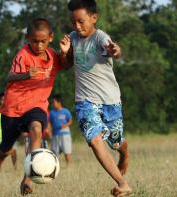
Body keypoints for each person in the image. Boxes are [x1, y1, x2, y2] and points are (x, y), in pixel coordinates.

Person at [0, 18, 71, 195]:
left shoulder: (53, 56)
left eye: (43, 41)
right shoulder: (23, 54)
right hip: (13, 107)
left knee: (37, 130)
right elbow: (9, 77)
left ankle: (27, 179)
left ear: (50, 38)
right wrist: (25, 74)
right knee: (6, 149)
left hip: (36, 106)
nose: (39, 45)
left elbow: (66, 65)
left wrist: (65, 53)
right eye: (34, 41)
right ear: (27, 38)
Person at [65, 0, 132, 196]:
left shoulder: (100, 37)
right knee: (94, 140)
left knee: (116, 142)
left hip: (111, 101)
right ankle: (122, 183)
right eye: (73, 22)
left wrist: (115, 51)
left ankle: (125, 154)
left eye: (81, 21)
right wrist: (65, 52)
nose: (77, 26)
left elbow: (114, 50)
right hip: (85, 101)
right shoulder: (72, 38)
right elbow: (67, 63)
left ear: (94, 18)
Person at [0, 92, 17, 169]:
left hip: (11, 134)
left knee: (14, 151)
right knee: (1, 152)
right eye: (1, 99)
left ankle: (14, 167)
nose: (3, 101)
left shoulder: (12, 108)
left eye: (4, 99)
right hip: (0, 135)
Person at [48, 94, 73, 166]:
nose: (52, 104)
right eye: (52, 102)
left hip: (65, 134)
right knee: (54, 152)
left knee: (66, 150)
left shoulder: (65, 111)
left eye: (54, 102)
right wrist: (49, 131)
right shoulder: (52, 112)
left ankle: (69, 166)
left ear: (59, 102)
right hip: (55, 134)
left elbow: (70, 121)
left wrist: (66, 125)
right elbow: (49, 122)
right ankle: (55, 166)